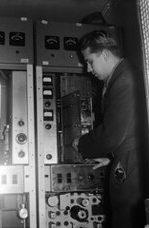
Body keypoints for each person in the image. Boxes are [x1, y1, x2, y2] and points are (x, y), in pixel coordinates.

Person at [72, 30, 148, 228]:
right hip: (130, 158)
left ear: (105, 54)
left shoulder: (125, 79)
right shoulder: (122, 76)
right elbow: (129, 129)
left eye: (90, 61)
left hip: (132, 164)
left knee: (127, 220)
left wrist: (82, 143)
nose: (88, 69)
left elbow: (111, 135)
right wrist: (112, 157)